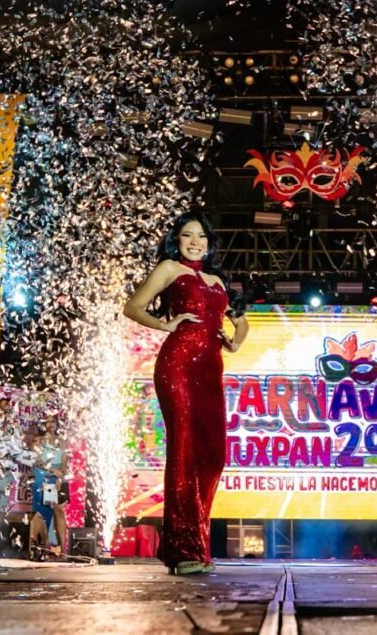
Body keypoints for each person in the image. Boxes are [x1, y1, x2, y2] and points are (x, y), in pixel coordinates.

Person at [123, 209, 249, 575]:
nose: (195, 242)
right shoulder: (169, 269)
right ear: (176, 241)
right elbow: (132, 307)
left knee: (212, 456)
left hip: (210, 370)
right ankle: (183, 551)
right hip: (177, 366)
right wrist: (165, 324)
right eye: (188, 236)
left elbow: (242, 323)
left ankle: (198, 544)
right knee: (184, 452)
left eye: (201, 237)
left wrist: (235, 341)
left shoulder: (218, 280)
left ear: (210, 243)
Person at [29, 416, 69, 555]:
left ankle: (63, 549)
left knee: (59, 510)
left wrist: (60, 477)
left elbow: (65, 463)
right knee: (43, 512)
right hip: (43, 476)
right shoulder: (38, 440)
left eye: (53, 421)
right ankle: (42, 546)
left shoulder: (62, 441)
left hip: (57, 478)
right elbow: (37, 460)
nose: (50, 424)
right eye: (47, 422)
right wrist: (52, 471)